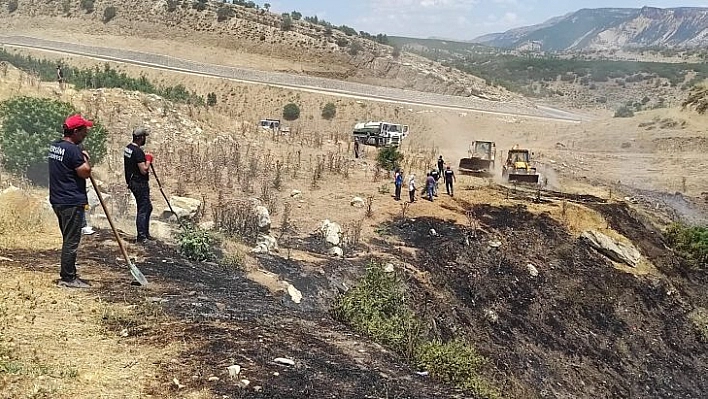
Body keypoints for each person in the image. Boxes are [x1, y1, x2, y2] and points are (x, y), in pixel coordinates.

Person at [48, 114, 94, 288]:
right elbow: (85, 172)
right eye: (83, 130)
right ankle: (68, 278)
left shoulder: (55, 146)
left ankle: (69, 272)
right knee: (71, 240)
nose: (86, 133)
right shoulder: (73, 150)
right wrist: (85, 158)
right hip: (70, 201)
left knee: (68, 238)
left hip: (58, 200)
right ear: (75, 131)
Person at [124, 127, 154, 243]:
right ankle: (142, 237)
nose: (145, 139)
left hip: (132, 181)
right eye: (144, 137)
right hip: (139, 183)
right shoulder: (137, 152)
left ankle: (145, 234)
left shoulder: (128, 148)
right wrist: (148, 160)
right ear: (141, 138)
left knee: (148, 207)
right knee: (143, 208)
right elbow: (144, 170)